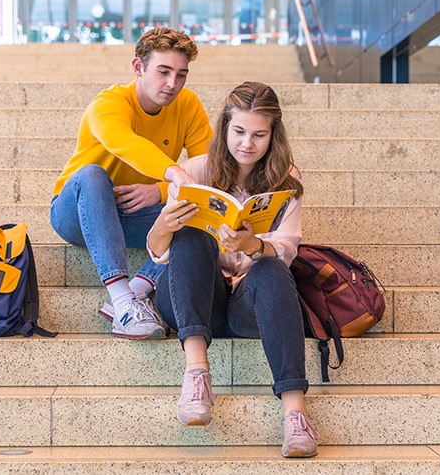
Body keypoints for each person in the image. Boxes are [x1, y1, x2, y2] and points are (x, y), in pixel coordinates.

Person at [147, 81, 319, 458]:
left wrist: (252, 245)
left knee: (273, 268)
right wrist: (165, 224)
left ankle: (295, 415)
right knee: (192, 238)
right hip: (191, 300)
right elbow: (158, 252)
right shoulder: (194, 171)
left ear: (274, 136)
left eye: (259, 135)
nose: (247, 143)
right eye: (239, 131)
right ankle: (197, 376)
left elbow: (287, 248)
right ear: (225, 127)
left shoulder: (286, 181)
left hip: (246, 307)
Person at [50, 27, 213, 340]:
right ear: (138, 67)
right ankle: (122, 300)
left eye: (181, 75)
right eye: (163, 72)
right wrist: (175, 175)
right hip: (79, 213)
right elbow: (124, 142)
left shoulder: (188, 105)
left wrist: (160, 191)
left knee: (204, 210)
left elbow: (209, 167)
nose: (172, 84)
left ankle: (138, 290)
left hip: (138, 215)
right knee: (92, 174)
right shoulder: (108, 103)